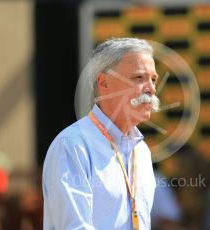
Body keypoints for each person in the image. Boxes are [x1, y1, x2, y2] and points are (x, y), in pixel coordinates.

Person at [42, 38, 159, 230]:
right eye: (139, 78)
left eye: (153, 79)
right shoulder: (72, 145)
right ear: (104, 83)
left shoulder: (142, 151)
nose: (151, 88)